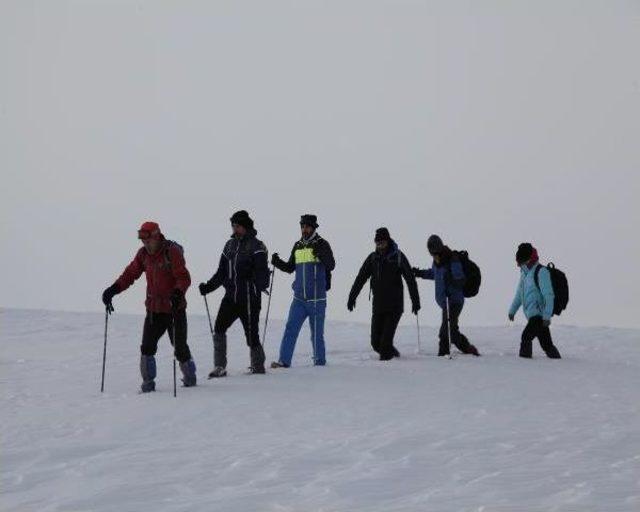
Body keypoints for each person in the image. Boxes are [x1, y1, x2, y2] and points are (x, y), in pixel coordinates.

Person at [101, 221, 196, 392]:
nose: (145, 243)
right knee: (147, 347)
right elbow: (130, 274)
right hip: (154, 310)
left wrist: (177, 293)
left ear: (156, 236)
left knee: (180, 348)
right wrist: (113, 290)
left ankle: (190, 379)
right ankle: (148, 385)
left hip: (175, 309)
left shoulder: (171, 252)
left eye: (147, 239)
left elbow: (183, 277)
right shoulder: (143, 255)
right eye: (142, 240)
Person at [199, 210, 270, 376]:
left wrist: (253, 278)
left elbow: (263, 277)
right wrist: (208, 287)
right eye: (233, 225)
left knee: (252, 335)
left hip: (249, 298)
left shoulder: (257, 246)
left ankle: (258, 366)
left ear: (245, 226)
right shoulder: (229, 245)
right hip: (231, 298)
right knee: (219, 328)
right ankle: (219, 366)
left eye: (237, 225)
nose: (234, 228)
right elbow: (221, 272)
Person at [270, 214, 335, 368]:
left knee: (316, 335)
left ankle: (319, 363)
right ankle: (283, 361)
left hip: (317, 300)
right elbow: (290, 268)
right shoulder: (298, 245)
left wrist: (322, 254)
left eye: (307, 226)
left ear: (313, 227)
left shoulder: (322, 244)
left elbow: (331, 265)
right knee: (290, 329)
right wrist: (277, 262)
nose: (304, 229)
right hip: (299, 299)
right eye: (302, 226)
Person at [347, 227, 420, 360]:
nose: (380, 245)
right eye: (377, 243)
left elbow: (410, 278)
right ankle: (395, 356)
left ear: (388, 241)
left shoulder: (397, 256)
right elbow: (361, 278)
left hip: (394, 307)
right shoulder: (372, 258)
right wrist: (352, 297)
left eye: (382, 242)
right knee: (375, 343)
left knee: (385, 345)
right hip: (378, 306)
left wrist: (415, 301)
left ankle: (386, 374)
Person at [413, 234, 480, 356]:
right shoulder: (436, 261)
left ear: (439, 248)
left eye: (434, 251)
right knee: (451, 331)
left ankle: (444, 356)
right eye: (431, 252)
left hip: (454, 301)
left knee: (446, 332)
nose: (433, 255)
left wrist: (451, 281)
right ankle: (468, 349)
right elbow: (434, 274)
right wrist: (419, 273)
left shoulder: (452, 260)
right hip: (445, 303)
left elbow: (461, 280)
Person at [508, 243, 562, 359]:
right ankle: (558, 362)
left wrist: (547, 316)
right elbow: (519, 294)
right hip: (533, 315)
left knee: (526, 337)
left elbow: (548, 295)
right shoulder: (524, 274)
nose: (518, 265)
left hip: (539, 315)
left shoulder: (541, 272)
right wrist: (512, 310)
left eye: (521, 262)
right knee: (547, 345)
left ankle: (525, 364)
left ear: (529, 260)